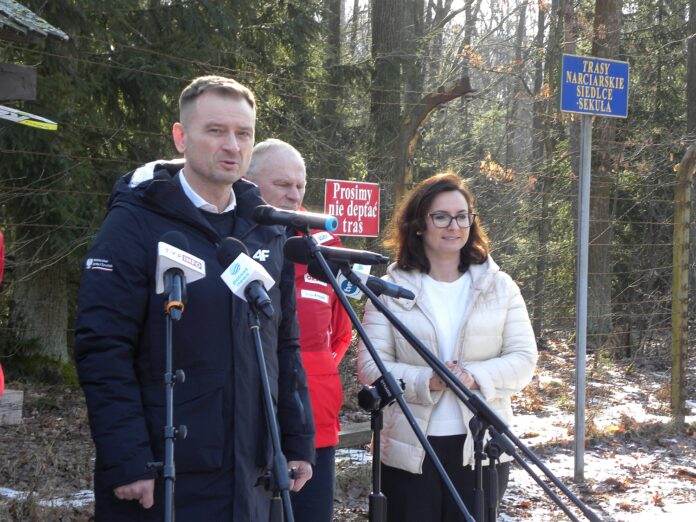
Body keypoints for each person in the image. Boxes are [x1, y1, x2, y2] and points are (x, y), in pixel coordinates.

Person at [74, 76, 315, 521]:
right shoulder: (135, 223)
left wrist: (296, 441)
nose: (232, 145)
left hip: (252, 473)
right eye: (215, 131)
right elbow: (102, 347)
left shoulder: (265, 228)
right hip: (164, 475)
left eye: (243, 134)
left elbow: (284, 344)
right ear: (181, 137)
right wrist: (127, 459)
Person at [357, 172, 537, 522]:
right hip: (410, 449)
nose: (453, 225)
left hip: (481, 448)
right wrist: (430, 380)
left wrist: (470, 377)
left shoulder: (499, 286)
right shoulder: (388, 289)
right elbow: (371, 367)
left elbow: (523, 360)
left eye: (462, 216)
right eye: (441, 216)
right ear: (419, 224)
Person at [246, 139, 353, 522]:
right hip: (247, 418)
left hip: (315, 419)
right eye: (282, 185)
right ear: (248, 180)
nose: (294, 195)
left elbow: (341, 331)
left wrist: (319, 370)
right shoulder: (229, 236)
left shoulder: (324, 242)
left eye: (300, 185)